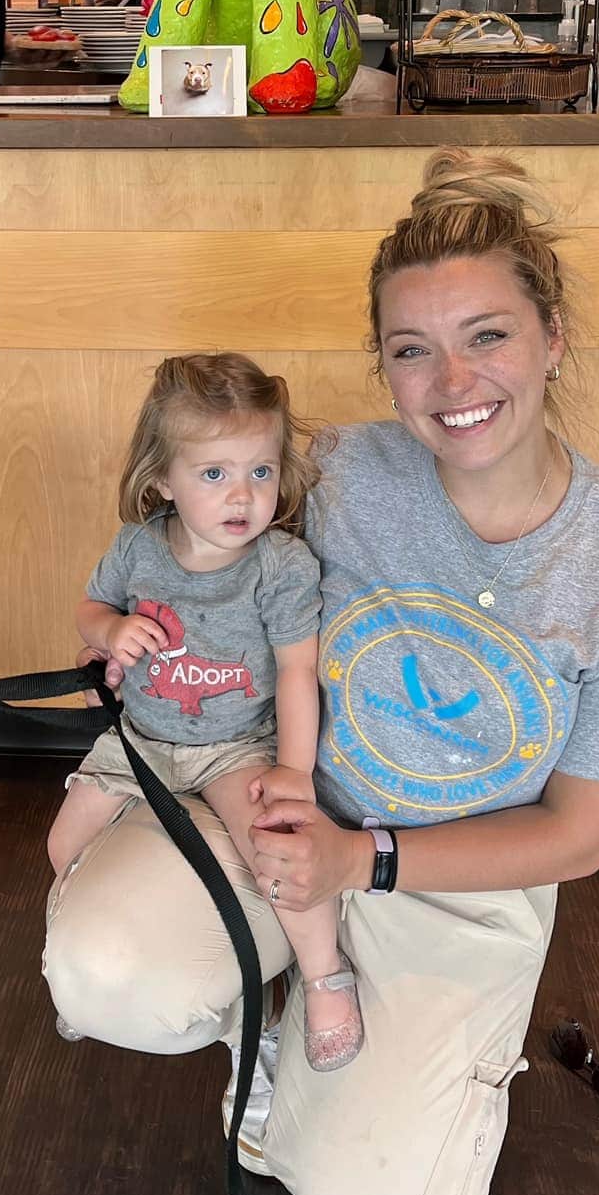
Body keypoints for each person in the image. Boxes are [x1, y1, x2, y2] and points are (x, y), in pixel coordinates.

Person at [43, 150, 599, 1195]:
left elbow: (580, 838)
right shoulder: (335, 471)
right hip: (272, 813)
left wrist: (363, 861)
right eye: (412, 349)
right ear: (383, 367)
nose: (453, 380)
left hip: (453, 880)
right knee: (101, 971)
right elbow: (203, 532)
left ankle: (379, 1071)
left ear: (553, 337)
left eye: (487, 335)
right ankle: (271, 1016)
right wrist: (137, 640)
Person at [47, 353, 363, 1071]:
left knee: (278, 854)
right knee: (63, 845)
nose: (243, 495)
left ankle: (323, 980)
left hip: (234, 746)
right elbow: (90, 607)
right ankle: (76, 964)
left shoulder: (279, 566)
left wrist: (294, 771)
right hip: (140, 738)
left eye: (261, 470)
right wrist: (109, 631)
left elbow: (298, 670)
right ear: (162, 478)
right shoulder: (139, 547)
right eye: (214, 473)